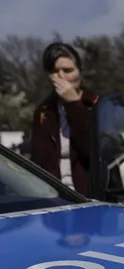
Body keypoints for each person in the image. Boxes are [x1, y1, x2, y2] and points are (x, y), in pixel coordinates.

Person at [30, 42, 99, 196]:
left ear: (79, 72)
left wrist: (74, 104)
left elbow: (90, 151)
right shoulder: (44, 112)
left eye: (68, 70)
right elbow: (38, 161)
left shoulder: (95, 105)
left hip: (87, 196)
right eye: (55, 71)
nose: (61, 77)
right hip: (54, 198)